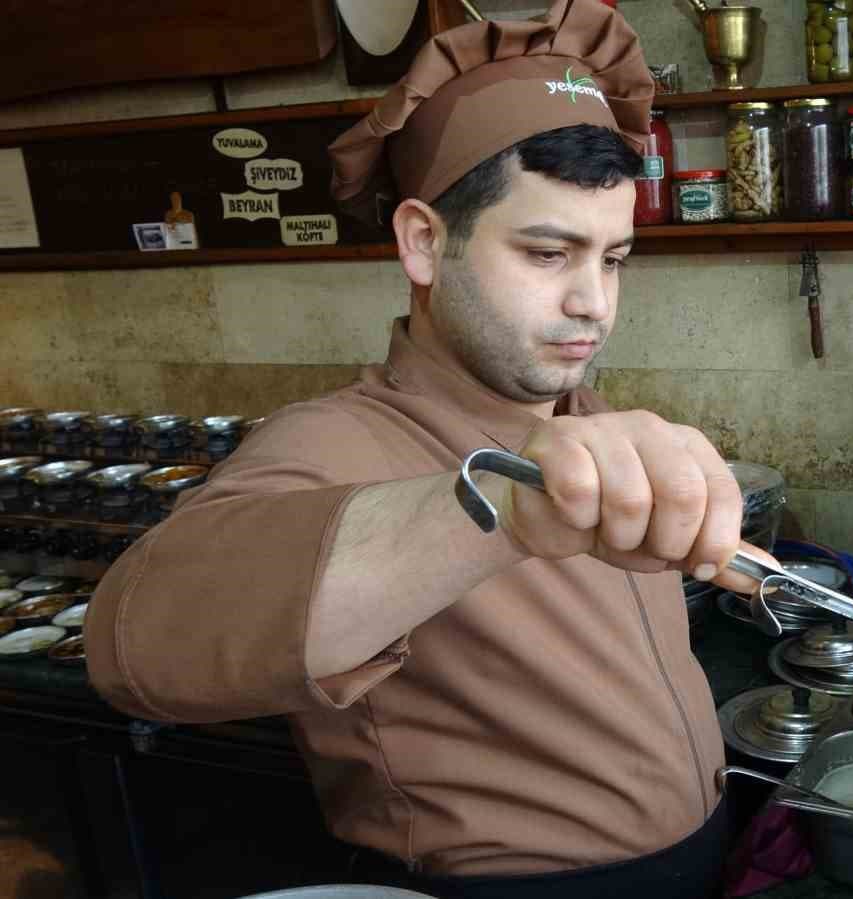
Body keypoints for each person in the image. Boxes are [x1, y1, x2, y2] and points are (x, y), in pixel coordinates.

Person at [85, 2, 769, 896]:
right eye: (548, 252)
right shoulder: (333, 439)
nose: (594, 303)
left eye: (614, 259)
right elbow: (137, 644)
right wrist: (511, 507)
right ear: (422, 242)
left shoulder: (577, 408)